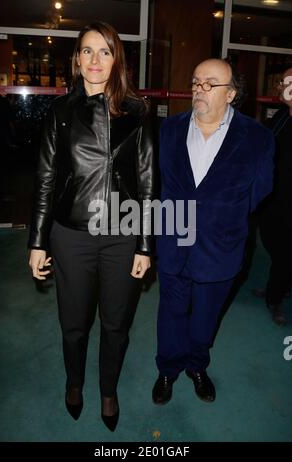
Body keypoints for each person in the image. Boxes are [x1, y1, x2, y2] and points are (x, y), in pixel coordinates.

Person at [28, 22, 155, 431]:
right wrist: (38, 241)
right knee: (74, 323)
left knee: (116, 324)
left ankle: (108, 389)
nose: (95, 60)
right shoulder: (60, 111)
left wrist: (145, 245)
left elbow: (150, 182)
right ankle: (75, 381)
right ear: (77, 59)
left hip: (123, 235)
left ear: (117, 58)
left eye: (104, 51)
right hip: (71, 236)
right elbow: (46, 179)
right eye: (87, 51)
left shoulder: (138, 111)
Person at [152, 59, 274, 405]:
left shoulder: (258, 139)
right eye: (195, 82)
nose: (199, 89)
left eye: (210, 83)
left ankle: (196, 365)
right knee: (171, 311)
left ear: (231, 94)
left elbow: (259, 191)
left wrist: (221, 217)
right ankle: (167, 369)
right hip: (174, 240)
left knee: (206, 316)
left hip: (221, 247)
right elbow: (159, 183)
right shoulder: (168, 130)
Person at [252, 67, 292, 326]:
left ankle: (275, 297)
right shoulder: (280, 116)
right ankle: (277, 285)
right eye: (283, 81)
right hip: (272, 196)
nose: (281, 86)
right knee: (271, 242)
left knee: (285, 252)